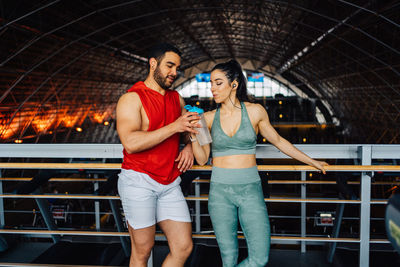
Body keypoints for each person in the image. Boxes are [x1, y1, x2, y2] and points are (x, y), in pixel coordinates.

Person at [191, 59, 328, 267]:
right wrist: (193, 133)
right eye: (210, 83)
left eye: (218, 83)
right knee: (228, 260)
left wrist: (311, 161)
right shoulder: (207, 119)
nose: (212, 88)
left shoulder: (255, 111)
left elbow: (279, 141)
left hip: (250, 190)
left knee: (259, 258)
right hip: (219, 192)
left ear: (234, 84)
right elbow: (201, 160)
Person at [116, 43, 200, 267]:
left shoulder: (176, 99)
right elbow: (131, 143)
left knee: (183, 247)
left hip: (170, 182)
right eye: (169, 66)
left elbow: (187, 131)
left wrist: (189, 146)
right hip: (138, 181)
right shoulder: (131, 99)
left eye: (177, 68)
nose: (174, 73)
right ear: (153, 63)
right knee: (142, 251)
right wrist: (175, 127)